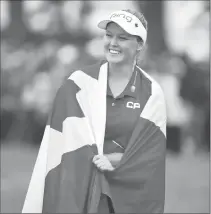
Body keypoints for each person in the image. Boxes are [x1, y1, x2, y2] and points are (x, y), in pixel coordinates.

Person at [22, 9, 167, 213]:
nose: (113, 43)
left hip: (128, 196)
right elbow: (60, 141)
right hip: (81, 186)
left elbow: (152, 153)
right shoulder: (79, 83)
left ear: (140, 44)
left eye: (123, 38)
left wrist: (115, 159)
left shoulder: (152, 92)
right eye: (109, 35)